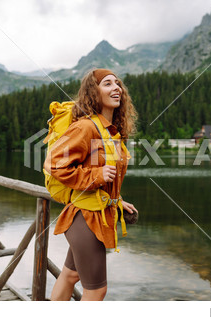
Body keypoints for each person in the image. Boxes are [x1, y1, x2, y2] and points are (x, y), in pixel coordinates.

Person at [44, 69, 138, 301]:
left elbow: (107, 177)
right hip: (85, 219)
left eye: (118, 84)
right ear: (93, 92)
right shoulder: (85, 127)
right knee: (96, 290)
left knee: (70, 276)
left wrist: (117, 200)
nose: (117, 87)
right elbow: (54, 163)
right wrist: (96, 175)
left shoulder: (110, 131)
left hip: (97, 213)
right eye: (107, 84)